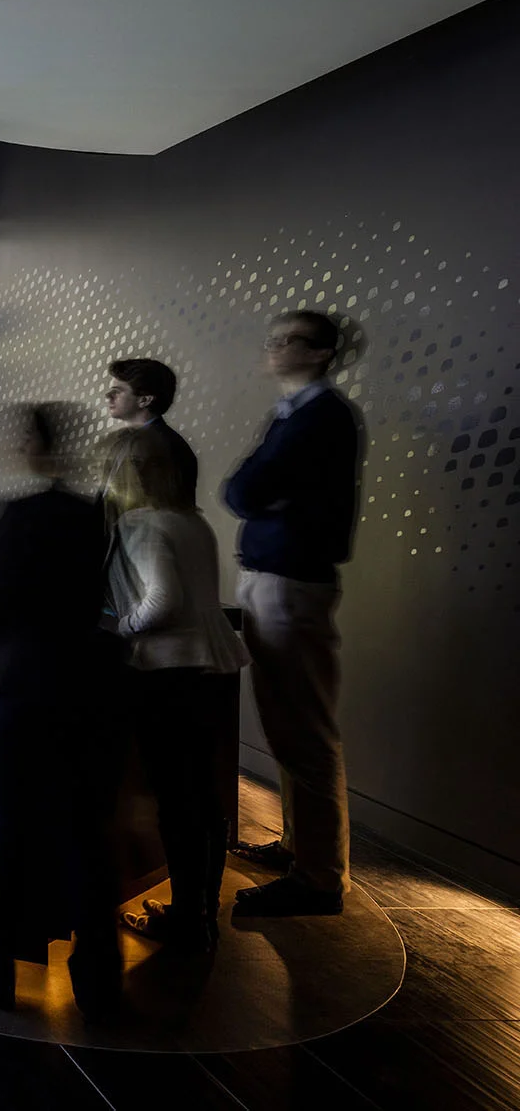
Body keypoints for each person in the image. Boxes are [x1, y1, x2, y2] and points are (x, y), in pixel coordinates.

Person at [0, 403, 122, 1018]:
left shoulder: (21, 517)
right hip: (86, 691)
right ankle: (100, 981)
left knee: (7, 831)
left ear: (35, 447)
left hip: (23, 692)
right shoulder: (92, 515)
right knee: (85, 838)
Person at [223, 310, 362, 917]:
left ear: (322, 352)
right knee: (288, 727)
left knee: (302, 730)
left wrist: (257, 490)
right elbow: (248, 489)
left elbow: (244, 491)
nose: (274, 349)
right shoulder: (299, 415)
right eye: (273, 338)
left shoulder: (319, 417)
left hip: (288, 584)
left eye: (288, 341)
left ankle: (319, 878)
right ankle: (300, 849)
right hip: (277, 580)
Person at [109, 429, 248, 952]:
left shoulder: (140, 524)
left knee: (176, 805)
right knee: (205, 804)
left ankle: (188, 923)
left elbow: (162, 601)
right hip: (212, 672)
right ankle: (201, 913)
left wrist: (122, 628)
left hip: (168, 678)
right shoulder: (194, 523)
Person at [99, 358, 199, 518]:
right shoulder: (121, 441)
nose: (108, 396)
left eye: (117, 392)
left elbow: (165, 514)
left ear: (145, 400)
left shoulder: (166, 448)